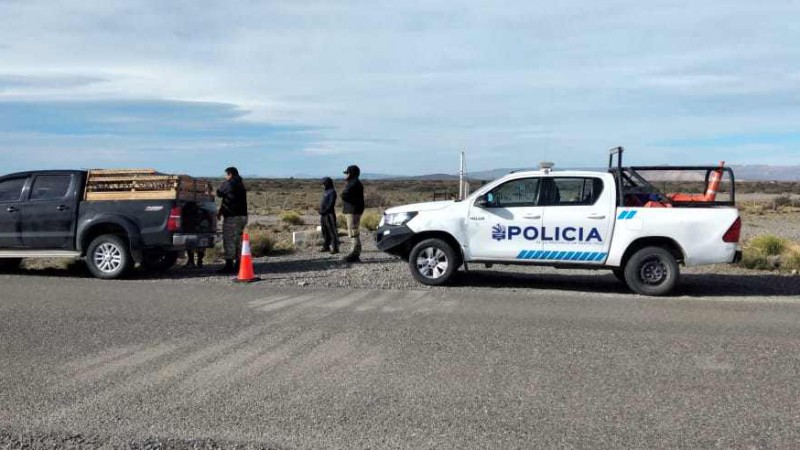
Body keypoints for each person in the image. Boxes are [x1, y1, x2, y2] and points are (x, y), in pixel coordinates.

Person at [216, 167, 248, 274]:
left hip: (232, 216)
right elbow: (228, 197)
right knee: (238, 240)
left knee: (229, 240)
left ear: (230, 174)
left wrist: (224, 183)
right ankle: (238, 264)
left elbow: (219, 193)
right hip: (242, 216)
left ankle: (229, 265)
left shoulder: (230, 183)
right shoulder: (241, 183)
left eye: (226, 175)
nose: (225, 177)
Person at [340, 165, 365, 263]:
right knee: (354, 231)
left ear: (351, 173)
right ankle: (355, 253)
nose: (346, 175)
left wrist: (347, 199)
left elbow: (344, 194)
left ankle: (354, 254)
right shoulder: (356, 183)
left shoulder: (353, 183)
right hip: (355, 210)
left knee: (353, 232)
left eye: (347, 172)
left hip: (353, 211)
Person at [319, 177, 339, 254]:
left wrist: (324, 210)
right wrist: (321, 210)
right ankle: (326, 246)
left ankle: (335, 248)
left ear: (327, 183)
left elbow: (331, 203)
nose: (323, 185)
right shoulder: (326, 192)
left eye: (324, 183)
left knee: (332, 231)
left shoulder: (332, 192)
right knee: (324, 231)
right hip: (323, 215)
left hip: (329, 214)